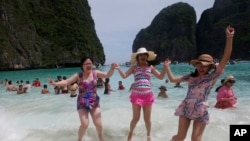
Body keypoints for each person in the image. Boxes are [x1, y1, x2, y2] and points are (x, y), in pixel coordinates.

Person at [164, 25, 235, 141]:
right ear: (196, 64)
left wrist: (229, 37)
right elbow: (172, 80)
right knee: (180, 137)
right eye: (199, 65)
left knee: (196, 139)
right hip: (186, 107)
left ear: (209, 67)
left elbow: (226, 58)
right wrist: (167, 67)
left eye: (205, 66)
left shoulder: (212, 77)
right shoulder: (190, 77)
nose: (202, 67)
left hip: (201, 109)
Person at [48, 57, 116, 141]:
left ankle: (100, 136)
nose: (88, 65)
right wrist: (55, 83)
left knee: (98, 124)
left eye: (90, 63)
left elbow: (107, 75)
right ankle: (79, 139)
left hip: (94, 101)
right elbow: (66, 82)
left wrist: (112, 68)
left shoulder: (95, 73)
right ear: (82, 66)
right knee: (84, 124)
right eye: (86, 64)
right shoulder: (78, 75)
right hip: (82, 102)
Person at [114, 47, 168, 141]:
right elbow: (124, 76)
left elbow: (161, 76)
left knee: (147, 119)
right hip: (136, 95)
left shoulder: (150, 67)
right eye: (141, 55)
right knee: (136, 118)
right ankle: (131, 133)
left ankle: (148, 136)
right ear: (138, 57)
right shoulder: (134, 68)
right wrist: (118, 69)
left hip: (148, 95)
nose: (143, 57)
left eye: (144, 55)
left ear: (147, 56)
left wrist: (165, 67)